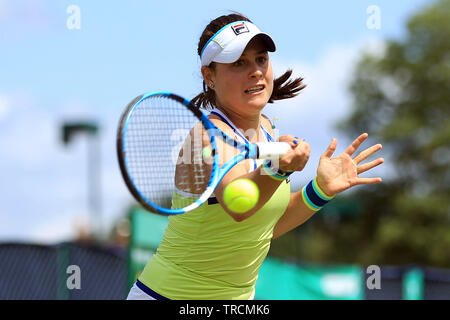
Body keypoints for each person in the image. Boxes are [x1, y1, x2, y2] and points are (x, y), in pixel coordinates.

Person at [127, 13, 384, 300]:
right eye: (239, 63)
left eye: (261, 59)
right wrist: (278, 169)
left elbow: (264, 228)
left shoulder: (268, 128)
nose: (256, 71)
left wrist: (320, 190)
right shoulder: (205, 135)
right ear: (209, 76)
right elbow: (239, 206)